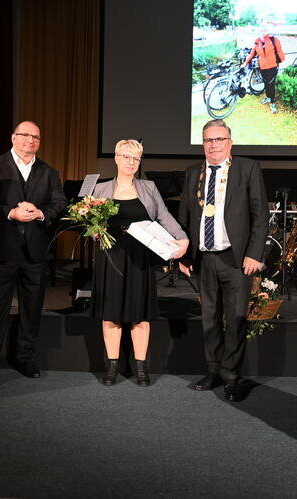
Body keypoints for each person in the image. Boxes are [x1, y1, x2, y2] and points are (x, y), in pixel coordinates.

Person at [178, 120, 268, 401]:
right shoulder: (194, 173)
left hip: (236, 259)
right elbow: (185, 217)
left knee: (235, 319)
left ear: (230, 142)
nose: (213, 145)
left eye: (219, 139)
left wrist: (254, 253)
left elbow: (259, 215)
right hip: (204, 259)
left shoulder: (247, 168)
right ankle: (214, 370)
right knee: (209, 320)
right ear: (202, 144)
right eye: (208, 140)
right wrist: (184, 254)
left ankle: (232, 376)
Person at [0, 121, 67, 381]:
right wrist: (10, 212)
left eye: (35, 136)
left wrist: (40, 213)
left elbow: (59, 202)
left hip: (36, 253)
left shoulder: (49, 172)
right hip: (3, 249)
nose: (30, 140)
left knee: (31, 310)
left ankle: (24, 358)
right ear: (13, 137)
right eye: (24, 135)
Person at [91, 139, 189, 386]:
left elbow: (164, 216)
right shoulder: (100, 189)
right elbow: (90, 223)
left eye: (136, 158)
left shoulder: (148, 187)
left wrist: (182, 238)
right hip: (110, 257)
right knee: (111, 315)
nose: (131, 162)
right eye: (126, 157)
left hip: (140, 258)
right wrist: (92, 228)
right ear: (116, 158)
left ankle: (141, 368)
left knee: (140, 315)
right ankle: (111, 367)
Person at [242, 29, 285, 114]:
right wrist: (245, 63)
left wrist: (279, 61)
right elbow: (252, 53)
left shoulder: (274, 40)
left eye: (265, 30)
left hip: (272, 66)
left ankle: (272, 102)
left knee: (271, 84)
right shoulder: (257, 41)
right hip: (262, 66)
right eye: (261, 30)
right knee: (266, 82)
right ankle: (268, 97)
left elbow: (280, 51)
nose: (263, 32)